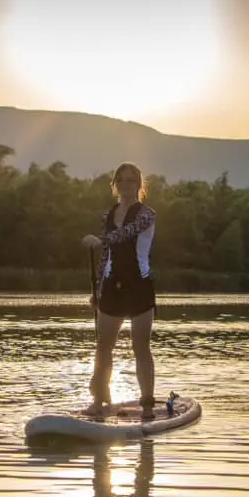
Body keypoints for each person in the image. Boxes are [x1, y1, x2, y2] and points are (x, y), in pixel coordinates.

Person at [81, 162, 158, 420]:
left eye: (131, 180)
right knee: (103, 346)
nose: (126, 184)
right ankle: (100, 401)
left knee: (140, 346)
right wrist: (98, 290)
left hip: (140, 286)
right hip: (113, 286)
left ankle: (147, 404)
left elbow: (127, 234)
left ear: (139, 185)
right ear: (114, 184)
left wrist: (100, 240)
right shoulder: (108, 215)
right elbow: (106, 255)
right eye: (121, 180)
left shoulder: (147, 214)